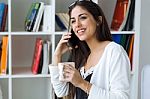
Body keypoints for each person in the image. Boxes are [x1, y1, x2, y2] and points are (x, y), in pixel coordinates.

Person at [49, 0, 131, 99]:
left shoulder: (114, 51)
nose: (77, 25)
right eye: (73, 21)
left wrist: (82, 84)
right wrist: (57, 55)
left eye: (83, 18)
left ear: (98, 20)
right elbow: (61, 91)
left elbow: (122, 97)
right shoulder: (81, 54)